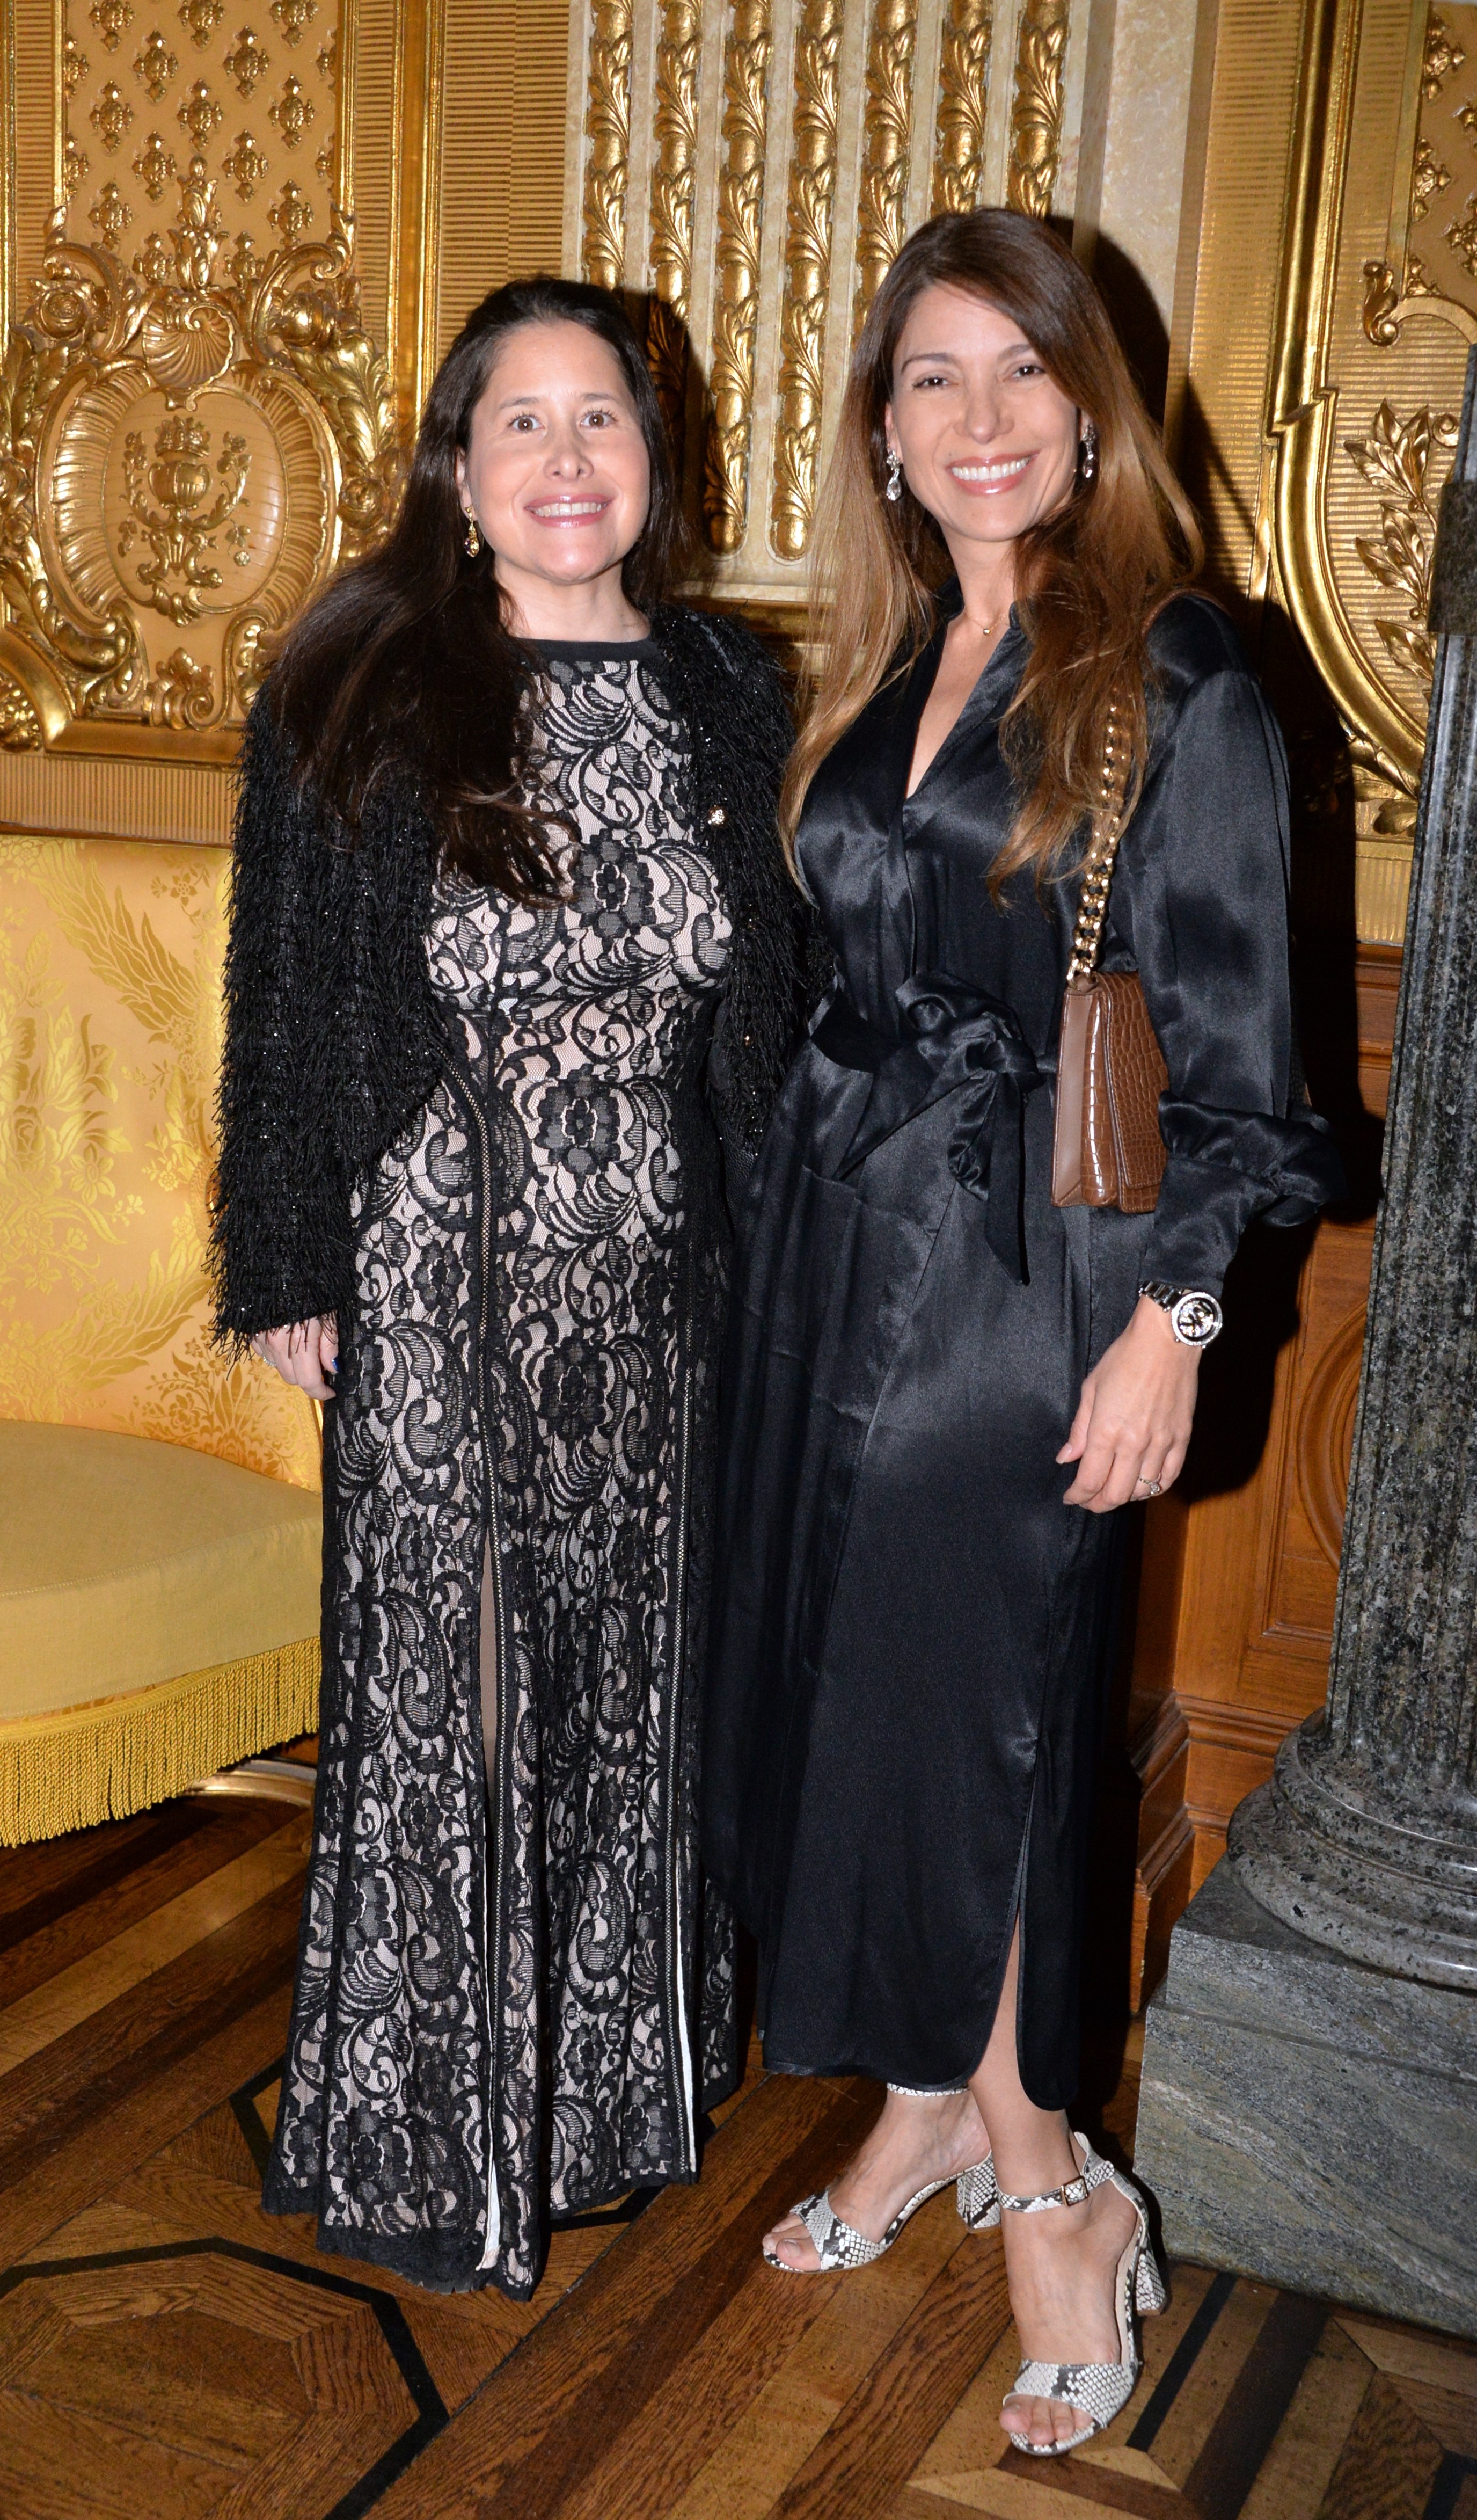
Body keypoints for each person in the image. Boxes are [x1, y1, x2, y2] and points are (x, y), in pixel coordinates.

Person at [703, 210, 1340, 2453]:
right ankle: (927, 2101)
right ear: (879, 430)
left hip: (1029, 1279)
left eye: (1020, 373)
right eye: (929, 378)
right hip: (834, 1249)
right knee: (854, 1701)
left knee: (981, 1722)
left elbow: (1249, 1070)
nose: (977, 419)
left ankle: (1053, 2182)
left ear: (1091, 413)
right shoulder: (885, 664)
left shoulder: (1179, 677)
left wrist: (1176, 1320)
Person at [213, 275, 809, 2299]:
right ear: (457, 472)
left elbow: (773, 1000)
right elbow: (279, 992)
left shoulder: (730, 686)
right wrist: (284, 1258)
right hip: (435, 1265)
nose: (567, 459)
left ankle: (600, 2102)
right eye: (521, 423)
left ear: (656, 457)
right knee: (446, 1696)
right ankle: (420, 2139)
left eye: (601, 418)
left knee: (631, 1685)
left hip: (662, 1286)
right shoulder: (359, 675)